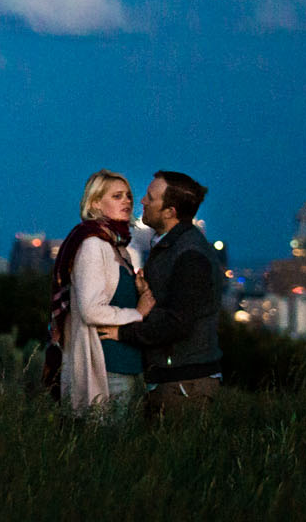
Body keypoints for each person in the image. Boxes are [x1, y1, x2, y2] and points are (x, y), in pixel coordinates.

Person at [115, 170, 223, 419]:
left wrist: (123, 332)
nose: (141, 201)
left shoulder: (189, 254)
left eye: (150, 198)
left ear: (170, 211)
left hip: (184, 385)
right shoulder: (171, 246)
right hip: (176, 380)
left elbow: (177, 323)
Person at [44, 170, 148, 420]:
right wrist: (138, 313)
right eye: (117, 196)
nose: (127, 201)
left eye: (129, 196)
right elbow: (91, 310)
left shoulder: (119, 247)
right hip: (106, 368)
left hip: (128, 366)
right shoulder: (92, 244)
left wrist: (139, 291)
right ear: (95, 204)